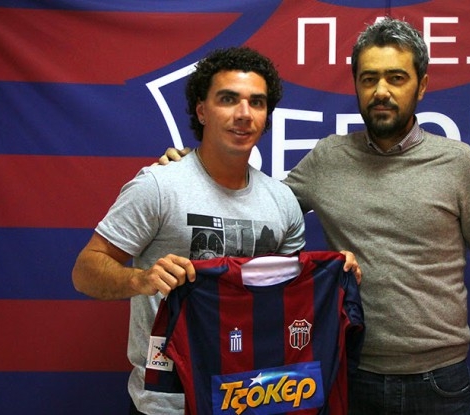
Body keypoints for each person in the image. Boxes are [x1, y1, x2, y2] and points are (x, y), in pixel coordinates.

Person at [161, 18, 470, 415]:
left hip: (439, 383)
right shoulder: (329, 158)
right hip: (349, 375)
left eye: (396, 78)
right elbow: (259, 205)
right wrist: (198, 169)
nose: (381, 91)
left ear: (421, 85)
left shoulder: (460, 164)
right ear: (356, 85)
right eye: (369, 79)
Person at [72, 46, 360, 415]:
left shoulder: (283, 201)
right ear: (202, 110)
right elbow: (85, 271)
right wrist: (141, 280)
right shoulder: (159, 186)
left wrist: (335, 272)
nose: (244, 114)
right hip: (169, 404)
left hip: (256, 396)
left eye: (257, 103)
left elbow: (289, 299)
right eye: (228, 99)